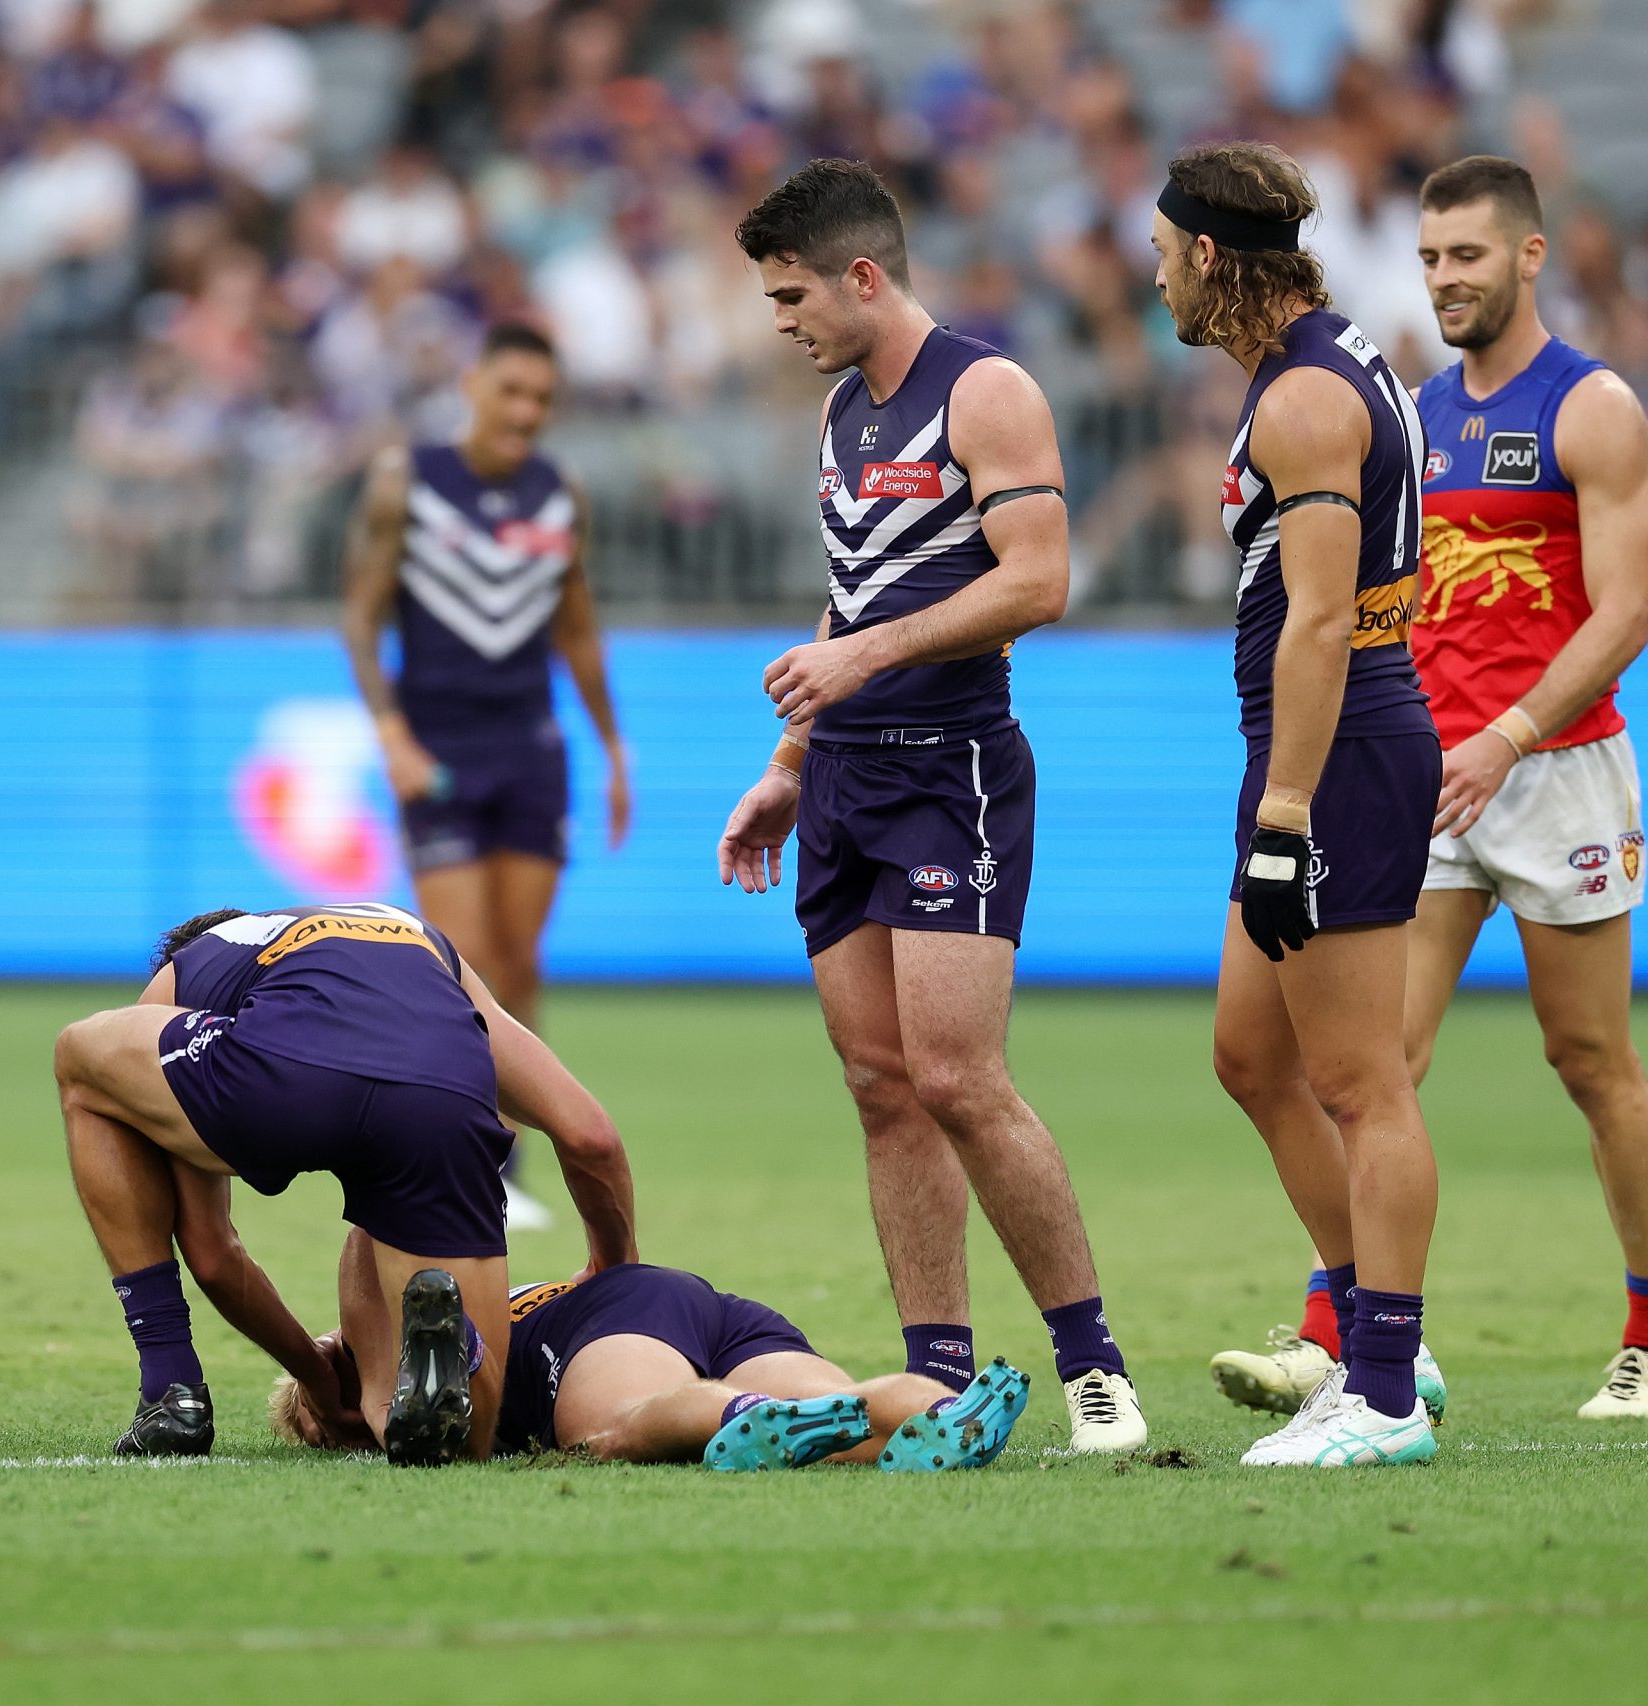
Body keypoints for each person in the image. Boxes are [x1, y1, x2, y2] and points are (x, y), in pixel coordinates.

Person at [1211, 156, 1648, 1423]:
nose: (1443, 280)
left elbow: (1625, 610)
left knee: (1588, 1057)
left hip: (1555, 767)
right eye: (1428, 258)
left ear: (1530, 256)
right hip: (1427, 773)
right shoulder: (1410, 407)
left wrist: (1512, 734)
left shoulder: (1592, 408)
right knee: (1374, 1062)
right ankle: (1355, 1336)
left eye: (1467, 256)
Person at [715, 158, 1147, 1454]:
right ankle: (939, 1380)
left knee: (959, 1075)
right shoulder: (843, 408)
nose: (779, 320)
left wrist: (866, 656)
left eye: (791, 295)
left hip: (948, 769)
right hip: (843, 775)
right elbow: (855, 591)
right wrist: (790, 761)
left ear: (862, 276)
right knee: (880, 1084)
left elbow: (1039, 580)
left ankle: (1093, 1364)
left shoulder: (986, 389)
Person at [1149, 141, 1444, 1468]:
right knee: (1250, 1057)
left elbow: (1323, 619)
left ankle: (1382, 1390)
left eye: (1166, 255)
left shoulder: (1306, 400)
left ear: (1212, 255)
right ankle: (1380, 1335)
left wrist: (1283, 812)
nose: (1157, 279)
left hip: (1335, 754)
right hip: (1316, 746)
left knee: (1359, 1080)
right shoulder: (1325, 364)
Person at [53, 901, 639, 1466]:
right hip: (438, 1095)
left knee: (80, 1062)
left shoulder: (188, 970)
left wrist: (315, 1374)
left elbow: (212, 1253)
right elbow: (590, 1137)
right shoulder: (420, 939)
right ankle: (419, 1388)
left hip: (282, 1080)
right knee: (471, 1436)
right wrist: (614, 1275)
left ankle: (171, 1388)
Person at [339, 321, 630, 1233]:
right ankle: (464, 1159)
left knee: (518, 963)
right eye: (511, 391)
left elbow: (575, 627)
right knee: (459, 965)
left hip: (532, 751)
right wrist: (392, 735)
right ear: (473, 385)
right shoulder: (407, 482)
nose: (526, 412)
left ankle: (509, 1163)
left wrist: (614, 748)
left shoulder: (559, 494)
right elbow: (360, 619)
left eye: (542, 398)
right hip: (439, 751)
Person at [272, 1232, 1034, 1474]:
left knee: (617, 1428)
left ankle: (742, 1415)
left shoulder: (417, 1368)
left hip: (604, 1327)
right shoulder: (416, 1364)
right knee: (841, 1415)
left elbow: (364, 1267)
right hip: (697, 1304)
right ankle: (949, 1412)